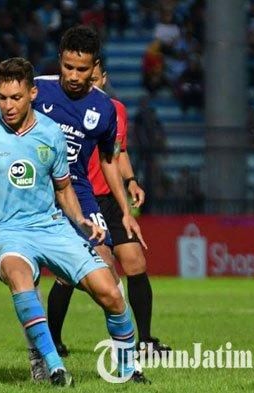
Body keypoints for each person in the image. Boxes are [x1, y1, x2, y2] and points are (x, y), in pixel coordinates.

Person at [0, 57, 146, 387]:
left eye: (15, 98)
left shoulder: (51, 133)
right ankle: (55, 367)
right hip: (8, 232)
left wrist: (82, 222)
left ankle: (129, 369)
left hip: (52, 226)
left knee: (111, 293)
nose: (8, 106)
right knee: (20, 278)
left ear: (32, 93)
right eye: (2, 98)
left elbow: (64, 189)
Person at [31, 25, 146, 364]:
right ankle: (42, 355)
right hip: (36, 193)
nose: (75, 75)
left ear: (95, 66)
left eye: (82, 69)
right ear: (60, 62)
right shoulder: (37, 90)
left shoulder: (104, 108)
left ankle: (127, 362)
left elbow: (109, 160)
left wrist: (125, 210)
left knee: (108, 271)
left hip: (79, 193)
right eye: (68, 67)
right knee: (26, 275)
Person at [87, 61, 171, 354]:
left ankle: (145, 341)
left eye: (96, 79)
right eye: (88, 79)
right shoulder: (71, 111)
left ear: (104, 78)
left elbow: (118, 152)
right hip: (84, 200)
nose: (92, 85)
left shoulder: (116, 110)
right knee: (73, 275)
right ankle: (54, 342)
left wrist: (132, 181)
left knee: (135, 261)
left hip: (112, 199)